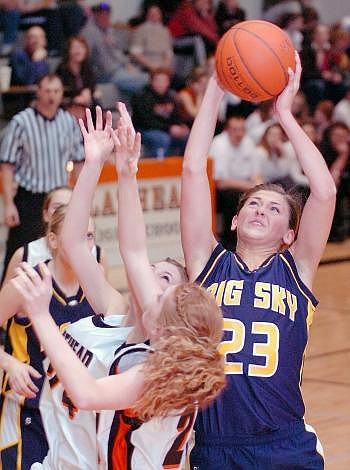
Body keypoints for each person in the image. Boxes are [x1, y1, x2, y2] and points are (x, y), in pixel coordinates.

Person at [9, 105, 225, 470]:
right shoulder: (115, 317)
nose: (148, 277)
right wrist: (107, 167)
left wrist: (41, 316)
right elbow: (93, 244)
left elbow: (87, 394)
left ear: (165, 324)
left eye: (164, 281)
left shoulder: (154, 370)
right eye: (154, 271)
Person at [181, 51, 336, 469]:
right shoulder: (206, 263)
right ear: (233, 219)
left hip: (284, 444)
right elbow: (195, 170)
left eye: (273, 209)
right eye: (253, 204)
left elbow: (324, 193)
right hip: (216, 445)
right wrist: (214, 89)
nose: (260, 210)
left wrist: (284, 115)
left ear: (290, 234)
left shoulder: (295, 270)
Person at [0, 204, 99, 470]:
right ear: (52, 240)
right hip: (28, 411)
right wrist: (9, 363)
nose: (85, 244)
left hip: (76, 416)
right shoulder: (28, 282)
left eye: (89, 236)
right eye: (77, 235)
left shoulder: (97, 285)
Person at [0, 73, 85, 282]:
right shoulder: (21, 122)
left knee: (61, 250)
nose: (51, 96)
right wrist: (9, 204)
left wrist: (81, 197)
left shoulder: (68, 121)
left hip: (59, 198)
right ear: (38, 92)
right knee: (18, 254)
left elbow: (80, 160)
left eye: (56, 91)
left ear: (62, 93)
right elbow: (7, 165)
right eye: (47, 91)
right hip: (29, 198)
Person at [209, 115, 262, 250]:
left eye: (242, 130)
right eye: (235, 130)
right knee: (235, 197)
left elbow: (256, 173)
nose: (239, 133)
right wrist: (250, 186)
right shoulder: (219, 144)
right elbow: (220, 182)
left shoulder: (248, 142)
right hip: (219, 191)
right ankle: (230, 243)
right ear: (227, 130)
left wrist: (261, 187)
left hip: (245, 186)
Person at [56, 35, 97, 120]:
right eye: (75, 47)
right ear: (68, 51)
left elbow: (92, 88)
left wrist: (88, 94)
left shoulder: (88, 68)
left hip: (87, 106)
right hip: (67, 108)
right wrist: (74, 100)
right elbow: (58, 95)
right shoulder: (61, 70)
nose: (78, 51)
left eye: (81, 47)